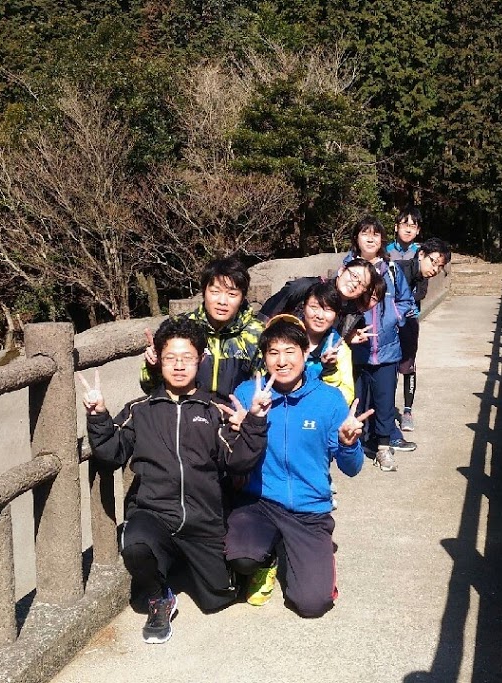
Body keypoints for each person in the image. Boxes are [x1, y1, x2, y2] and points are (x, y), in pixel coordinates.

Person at [84, 317, 269, 644]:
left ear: (201, 359)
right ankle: (160, 597)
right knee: (136, 546)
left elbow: (239, 461)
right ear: (158, 359)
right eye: (170, 357)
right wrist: (98, 415)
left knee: (220, 598)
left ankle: (191, 564)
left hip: (204, 518)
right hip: (154, 514)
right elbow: (112, 453)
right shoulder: (139, 409)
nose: (179, 365)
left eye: (187, 358)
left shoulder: (217, 409)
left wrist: (253, 424)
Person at [226, 317, 373, 617]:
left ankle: (311, 553)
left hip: (308, 508)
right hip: (259, 502)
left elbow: (352, 468)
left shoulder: (329, 400)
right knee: (241, 557)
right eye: (273, 352)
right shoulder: (247, 394)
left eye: (290, 351)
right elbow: (231, 456)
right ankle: (266, 558)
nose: (281, 361)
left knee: (312, 604)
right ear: (264, 357)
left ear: (306, 353)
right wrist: (244, 428)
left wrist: (348, 444)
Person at [344, 216, 416, 471]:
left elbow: (407, 301)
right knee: (356, 402)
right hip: (356, 350)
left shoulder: (391, 270)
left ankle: (384, 449)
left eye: (375, 234)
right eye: (365, 233)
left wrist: (393, 317)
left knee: (385, 403)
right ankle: (353, 448)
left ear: (382, 240)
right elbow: (337, 302)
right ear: (356, 238)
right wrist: (348, 332)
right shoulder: (346, 270)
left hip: (387, 350)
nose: (371, 238)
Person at [140, 255, 263, 401]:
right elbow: (149, 387)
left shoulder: (257, 334)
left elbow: (266, 387)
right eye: (215, 292)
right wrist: (154, 366)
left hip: (237, 413)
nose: (222, 301)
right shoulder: (181, 328)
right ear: (204, 292)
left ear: (242, 298)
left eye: (232, 294)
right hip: (187, 411)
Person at [389, 236, 452, 432]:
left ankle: (407, 411)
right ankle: (386, 411)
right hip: (390, 325)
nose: (435, 269)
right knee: (389, 369)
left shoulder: (422, 276)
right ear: (421, 254)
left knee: (409, 366)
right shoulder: (398, 269)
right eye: (433, 262)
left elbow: (420, 294)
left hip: (409, 322)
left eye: (440, 267)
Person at [297, 282, 354, 404]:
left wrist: (330, 370)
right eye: (314, 307)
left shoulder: (340, 350)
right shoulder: (285, 338)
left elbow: (346, 397)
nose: (320, 316)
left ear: (336, 315)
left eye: (328, 310)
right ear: (303, 307)